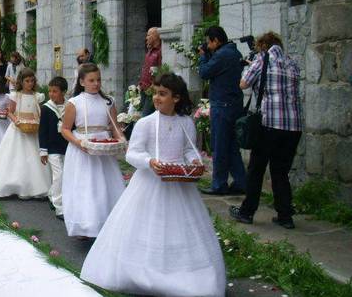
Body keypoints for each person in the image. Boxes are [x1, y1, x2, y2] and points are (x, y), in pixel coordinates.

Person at [81, 73, 226, 296]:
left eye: (162, 94)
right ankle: (142, 272)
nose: (157, 98)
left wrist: (195, 161)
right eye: (155, 93)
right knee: (147, 226)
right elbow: (132, 154)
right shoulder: (145, 123)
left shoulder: (186, 122)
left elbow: (188, 149)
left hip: (179, 183)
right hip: (150, 182)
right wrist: (150, 162)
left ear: (176, 98)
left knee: (179, 229)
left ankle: (180, 273)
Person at [230, 32, 303, 229]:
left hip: (269, 123)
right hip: (293, 126)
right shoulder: (292, 62)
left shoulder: (262, 59)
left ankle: (247, 212)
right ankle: (285, 216)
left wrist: (249, 63)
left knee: (256, 169)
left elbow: (243, 83)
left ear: (263, 45)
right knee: (280, 171)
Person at [60, 63, 126, 238]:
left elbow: (114, 126)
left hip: (103, 148)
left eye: (98, 80)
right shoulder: (74, 103)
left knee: (105, 186)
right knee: (85, 187)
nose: (96, 84)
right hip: (82, 148)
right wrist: (79, 143)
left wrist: (121, 138)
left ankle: (107, 223)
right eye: (91, 80)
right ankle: (86, 226)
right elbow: (65, 129)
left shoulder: (108, 101)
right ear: (82, 82)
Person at [0, 68, 51, 199]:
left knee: (33, 159)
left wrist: (37, 121)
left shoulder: (38, 96)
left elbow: (39, 112)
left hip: (32, 130)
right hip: (17, 130)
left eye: (32, 81)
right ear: (21, 81)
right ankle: (12, 184)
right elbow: (9, 112)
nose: (30, 83)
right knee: (14, 157)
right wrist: (16, 121)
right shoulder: (15, 95)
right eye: (27, 81)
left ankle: (35, 187)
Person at [198, 26, 246, 196]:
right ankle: (241, 182)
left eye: (209, 42)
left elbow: (204, 72)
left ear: (216, 40)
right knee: (232, 146)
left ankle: (219, 184)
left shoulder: (221, 55)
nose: (207, 46)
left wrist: (203, 57)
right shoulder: (234, 53)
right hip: (235, 105)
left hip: (222, 106)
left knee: (219, 146)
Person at [39, 77, 69, 218]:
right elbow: (42, 130)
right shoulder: (46, 108)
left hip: (66, 146)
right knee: (59, 175)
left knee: (64, 175)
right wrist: (43, 151)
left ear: (63, 92)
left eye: (55, 91)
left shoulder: (70, 107)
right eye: (50, 91)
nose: (51, 94)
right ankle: (59, 207)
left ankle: (52, 195)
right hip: (51, 148)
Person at [138, 27, 162, 116]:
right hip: (143, 88)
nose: (146, 38)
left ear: (155, 37)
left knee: (145, 116)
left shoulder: (160, 51)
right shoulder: (149, 50)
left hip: (152, 90)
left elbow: (161, 70)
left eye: (148, 35)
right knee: (141, 114)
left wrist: (153, 86)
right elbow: (146, 68)